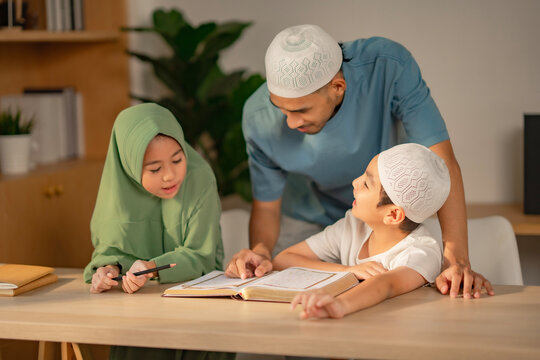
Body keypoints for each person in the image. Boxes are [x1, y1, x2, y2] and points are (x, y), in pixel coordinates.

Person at [226, 24, 491, 299]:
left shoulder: (388, 66)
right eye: (280, 108)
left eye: (301, 110)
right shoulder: (258, 118)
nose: (290, 123)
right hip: (309, 220)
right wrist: (260, 251)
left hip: (385, 219)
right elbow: (267, 209)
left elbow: (441, 161)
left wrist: (456, 260)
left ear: (337, 87)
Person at [83, 103, 234, 360]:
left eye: (178, 159)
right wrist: (109, 270)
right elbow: (110, 251)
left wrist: (152, 266)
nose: (170, 176)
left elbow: (201, 256)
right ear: (130, 166)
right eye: (155, 169)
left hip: (201, 309)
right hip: (138, 317)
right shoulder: (117, 191)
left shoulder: (200, 179)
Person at [274, 143, 493, 319]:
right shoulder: (352, 227)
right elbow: (283, 259)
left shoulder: (423, 251)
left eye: (367, 184)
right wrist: (347, 271)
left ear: (393, 215)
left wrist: (340, 304)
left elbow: (385, 284)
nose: (355, 182)